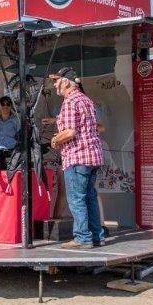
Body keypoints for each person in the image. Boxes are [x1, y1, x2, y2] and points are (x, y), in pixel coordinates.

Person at [49, 67, 105, 249]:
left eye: (57, 81)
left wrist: (56, 140)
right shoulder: (86, 100)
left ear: (66, 82)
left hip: (77, 157)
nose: (55, 84)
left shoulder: (70, 101)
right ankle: (97, 236)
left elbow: (70, 132)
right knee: (90, 197)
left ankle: (82, 237)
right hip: (93, 156)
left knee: (76, 199)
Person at [0, 95, 19, 171]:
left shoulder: (16, 121)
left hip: (12, 153)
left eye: (8, 104)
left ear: (11, 106)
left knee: (11, 177)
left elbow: (20, 139)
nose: (5, 106)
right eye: (3, 104)